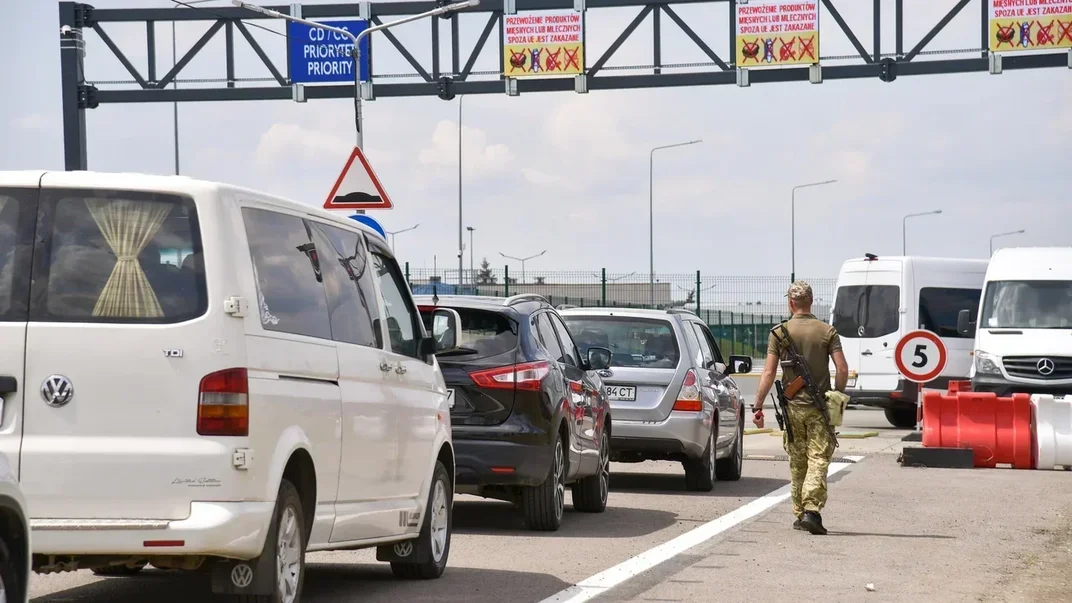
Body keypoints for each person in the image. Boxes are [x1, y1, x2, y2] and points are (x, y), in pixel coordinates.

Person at [752, 281, 848, 535]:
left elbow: (770, 372)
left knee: (797, 460)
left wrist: (757, 405)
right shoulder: (828, 331)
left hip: (792, 408)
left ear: (791, 303)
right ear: (811, 301)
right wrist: (837, 394)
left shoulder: (779, 333)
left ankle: (799, 512)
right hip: (819, 408)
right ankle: (811, 511)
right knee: (818, 458)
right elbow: (842, 369)